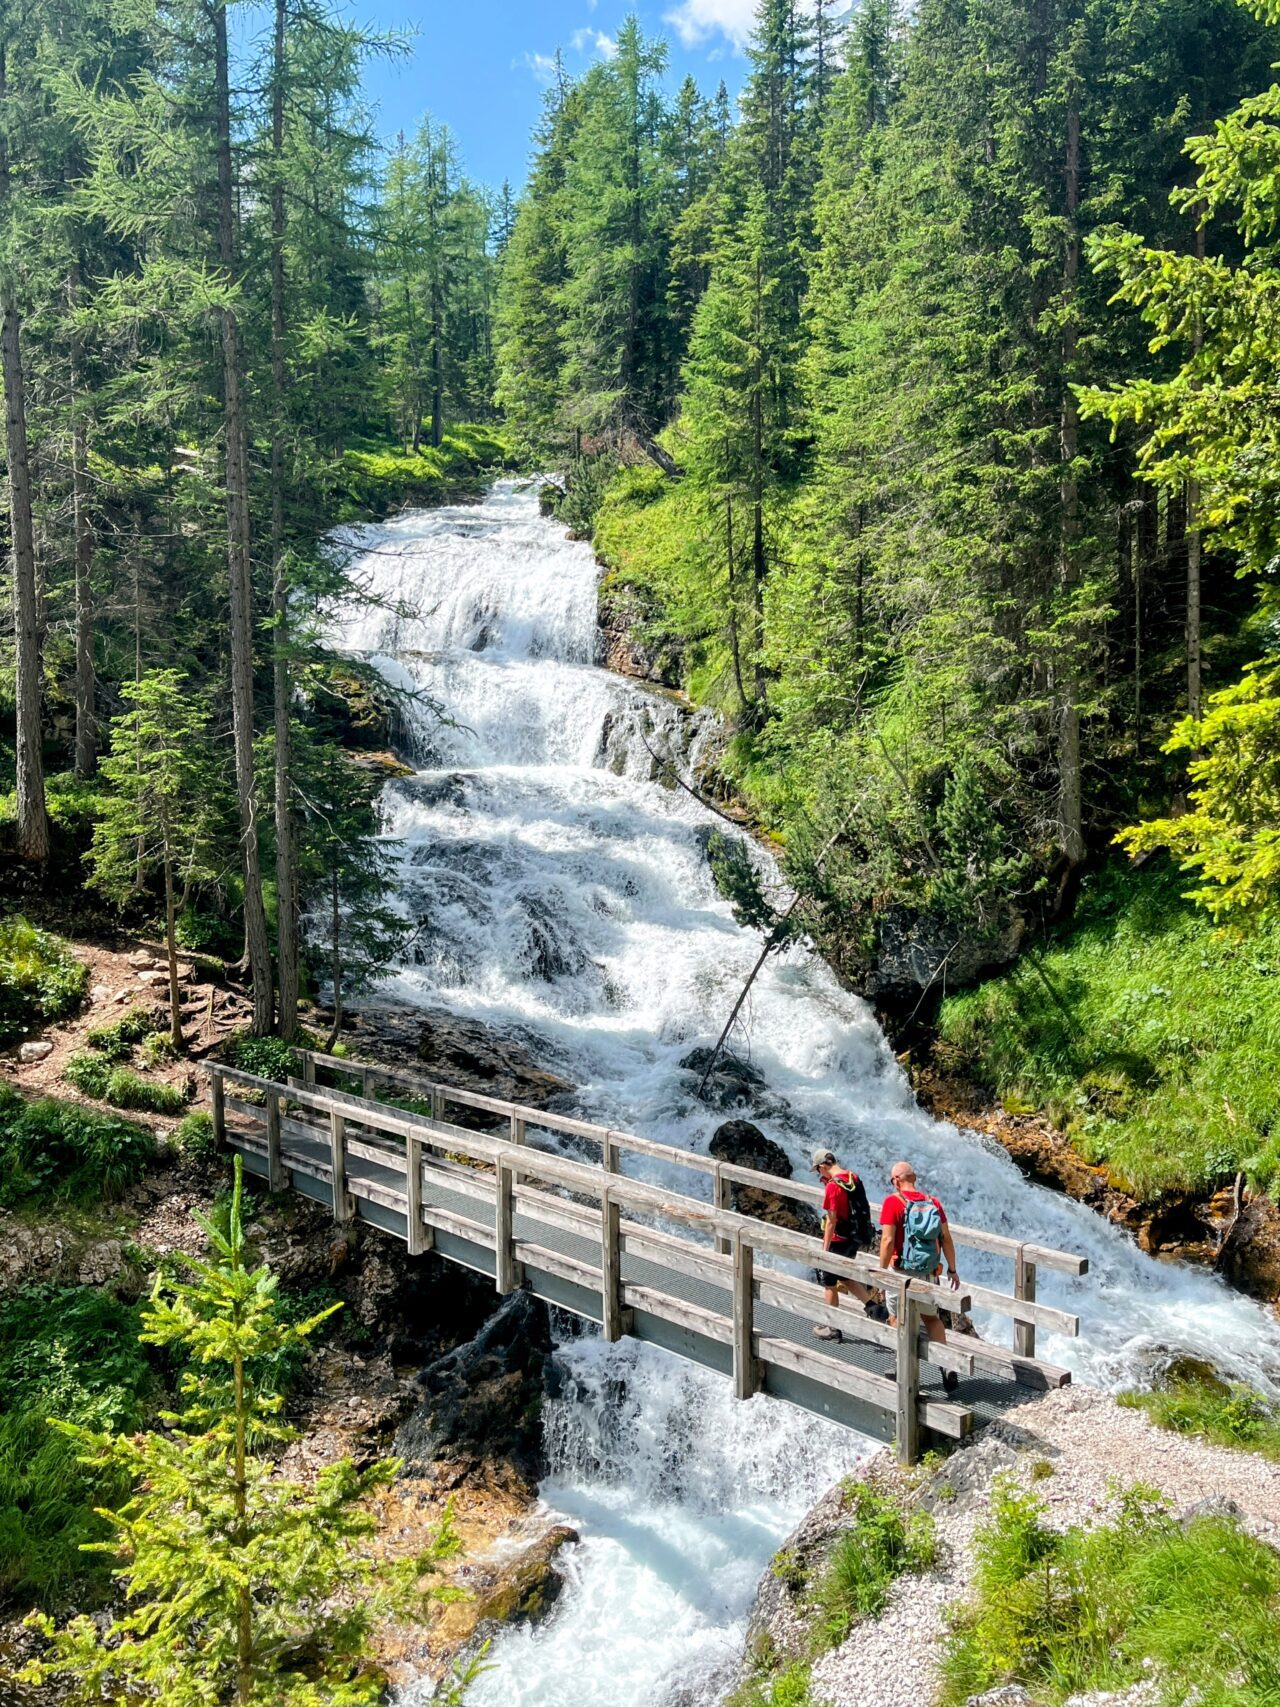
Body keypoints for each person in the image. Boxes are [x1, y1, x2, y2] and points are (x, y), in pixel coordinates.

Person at [878, 1160, 962, 1392]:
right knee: (932, 1319)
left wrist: (880, 1270)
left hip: (901, 1272)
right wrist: (952, 1269)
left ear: (896, 1180)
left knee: (897, 1317)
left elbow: (887, 1240)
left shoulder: (892, 1202)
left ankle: (900, 1365)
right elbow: (945, 1238)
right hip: (927, 1271)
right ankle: (946, 1366)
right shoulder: (933, 1202)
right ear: (913, 1178)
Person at [810, 1147, 886, 1343]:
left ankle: (831, 1326)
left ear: (822, 1166)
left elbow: (831, 1221)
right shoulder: (852, 1177)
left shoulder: (833, 1187)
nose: (819, 1174)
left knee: (828, 1283)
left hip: (839, 1239)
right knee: (844, 1275)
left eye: (818, 1170)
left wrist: (824, 1250)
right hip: (856, 1237)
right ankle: (874, 1308)